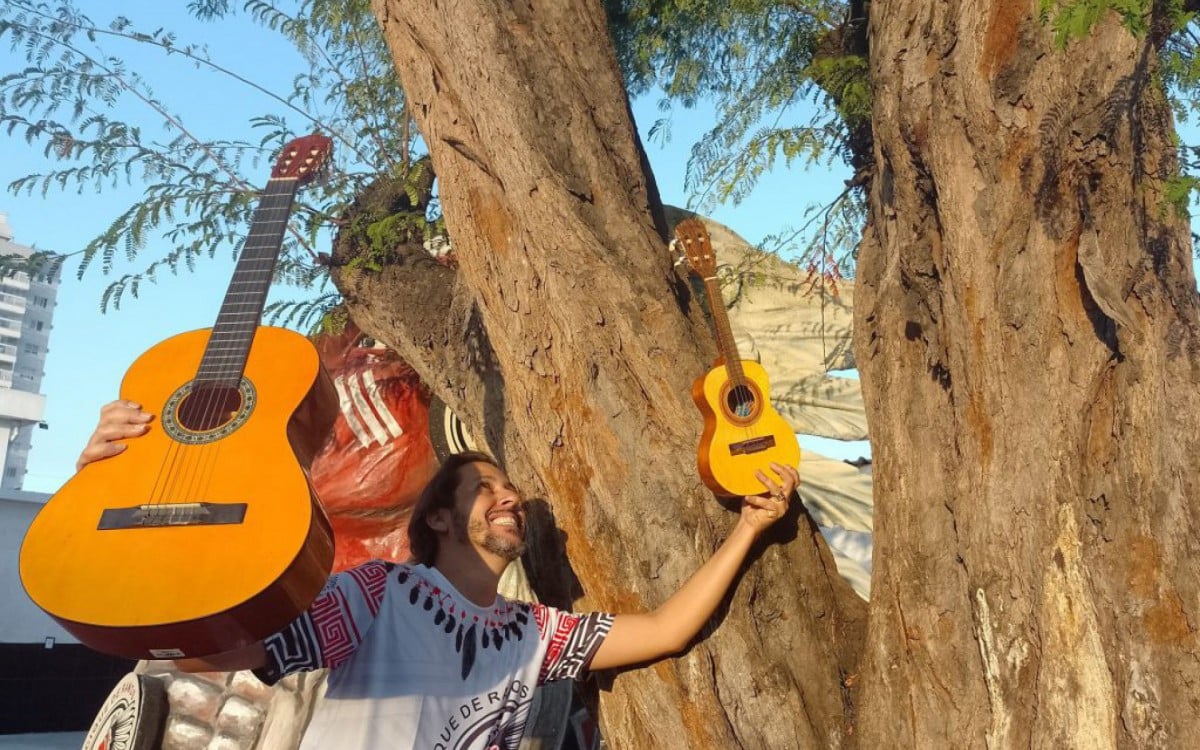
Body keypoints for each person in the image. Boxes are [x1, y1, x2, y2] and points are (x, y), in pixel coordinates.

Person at [78, 399, 800, 750]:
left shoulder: (535, 633)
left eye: (510, 487)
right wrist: (109, 490)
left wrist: (749, 527)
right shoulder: (376, 595)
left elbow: (669, 630)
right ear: (439, 521)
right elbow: (235, 650)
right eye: (485, 489)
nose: (509, 495)